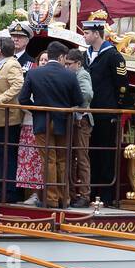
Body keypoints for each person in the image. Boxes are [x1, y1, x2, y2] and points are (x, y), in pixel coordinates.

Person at [16, 40, 83, 207]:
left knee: (48, 161)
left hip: (41, 122)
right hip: (63, 121)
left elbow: (23, 99)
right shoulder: (70, 75)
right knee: (62, 160)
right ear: (61, 57)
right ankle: (64, 199)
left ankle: (51, 199)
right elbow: (79, 100)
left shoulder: (34, 73)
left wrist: (37, 110)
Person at [83, 12, 126, 205]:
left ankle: (107, 195)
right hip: (89, 112)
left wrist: (116, 109)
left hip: (106, 112)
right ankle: (91, 192)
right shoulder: (86, 55)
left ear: (97, 34)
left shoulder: (113, 56)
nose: (84, 35)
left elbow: (122, 84)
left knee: (106, 153)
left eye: (86, 32)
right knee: (90, 152)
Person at [0, 35, 25, 203]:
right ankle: (2, 188)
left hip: (7, 119)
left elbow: (18, 85)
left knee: (7, 156)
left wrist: (0, 100)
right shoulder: (1, 65)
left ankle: (9, 192)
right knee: (0, 156)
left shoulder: (12, 64)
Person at [14, 52, 50, 204]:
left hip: (43, 124)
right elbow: (22, 99)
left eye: (46, 60)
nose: (43, 62)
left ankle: (41, 195)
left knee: (40, 160)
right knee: (28, 162)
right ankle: (30, 194)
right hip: (29, 122)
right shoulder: (31, 76)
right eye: (41, 59)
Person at [64, 48, 94, 207]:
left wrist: (75, 106)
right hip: (74, 120)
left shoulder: (82, 74)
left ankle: (84, 194)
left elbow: (87, 94)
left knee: (82, 158)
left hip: (81, 120)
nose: (67, 66)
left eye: (69, 64)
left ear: (78, 63)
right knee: (72, 158)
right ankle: (72, 193)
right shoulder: (73, 74)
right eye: (66, 63)